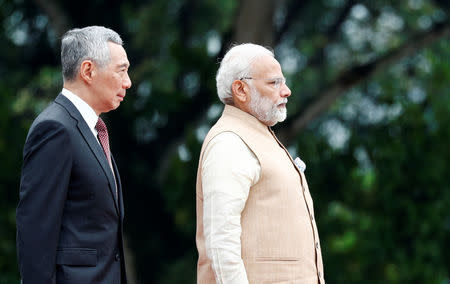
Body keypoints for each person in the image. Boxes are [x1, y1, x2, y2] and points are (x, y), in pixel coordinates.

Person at [196, 43, 324, 283]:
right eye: (274, 83)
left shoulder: (257, 134)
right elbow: (222, 244)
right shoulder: (229, 142)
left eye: (283, 82)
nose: (286, 91)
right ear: (241, 90)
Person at [16, 26, 131, 283]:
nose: (128, 82)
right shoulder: (55, 128)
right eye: (121, 70)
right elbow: (35, 234)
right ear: (88, 71)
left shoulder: (94, 129)